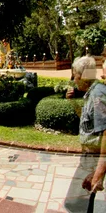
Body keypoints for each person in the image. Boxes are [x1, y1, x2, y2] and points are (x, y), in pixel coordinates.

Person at [64, 56, 106, 212]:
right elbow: (88, 120)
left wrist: (98, 173)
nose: (74, 79)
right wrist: (73, 103)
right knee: (82, 204)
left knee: (76, 205)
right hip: (88, 158)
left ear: (82, 76)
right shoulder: (92, 93)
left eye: (74, 75)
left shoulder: (98, 95)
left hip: (94, 160)